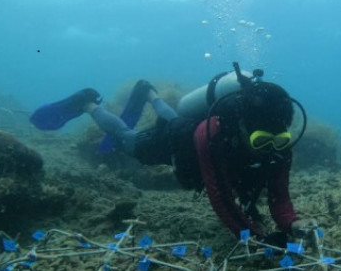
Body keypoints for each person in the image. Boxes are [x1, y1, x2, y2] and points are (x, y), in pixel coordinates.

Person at [30, 63, 317, 244]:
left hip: (183, 127)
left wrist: (292, 223)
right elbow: (221, 198)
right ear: (241, 126)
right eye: (260, 140)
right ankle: (88, 104)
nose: (271, 148)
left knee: (172, 119)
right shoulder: (212, 135)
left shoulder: (279, 144)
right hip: (178, 145)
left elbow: (280, 196)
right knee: (129, 142)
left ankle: (149, 93)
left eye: (280, 140)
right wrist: (258, 239)